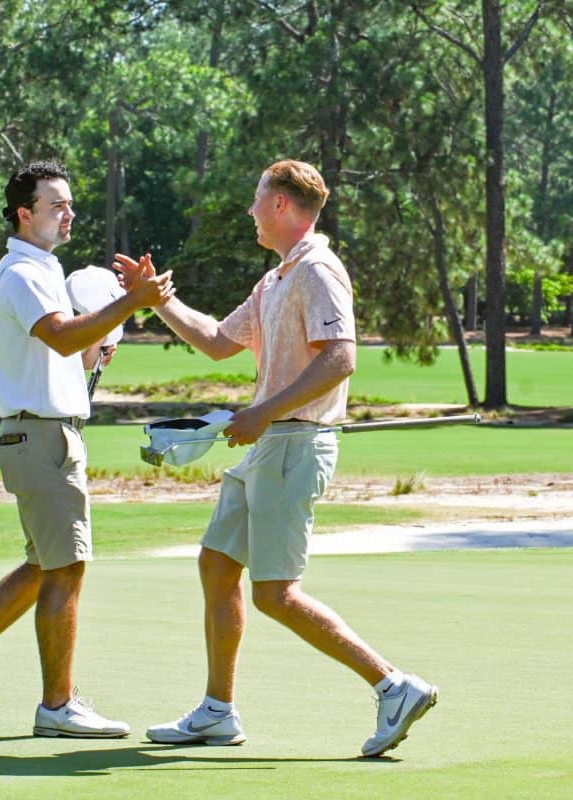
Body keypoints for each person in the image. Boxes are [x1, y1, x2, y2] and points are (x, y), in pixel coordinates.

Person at [115, 160, 436, 758]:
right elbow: (216, 341)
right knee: (216, 564)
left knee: (276, 593)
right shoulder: (276, 279)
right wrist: (156, 300)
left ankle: (393, 685)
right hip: (266, 445)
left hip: (294, 443)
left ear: (283, 206)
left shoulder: (318, 269)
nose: (251, 210)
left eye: (258, 199)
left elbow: (341, 357)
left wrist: (264, 412)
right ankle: (217, 711)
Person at [0, 160, 173, 738]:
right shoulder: (24, 272)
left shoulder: (44, 271)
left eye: (69, 204)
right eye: (56, 205)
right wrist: (130, 303)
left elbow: (65, 350)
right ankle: (57, 707)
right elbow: (60, 334)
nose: (68, 214)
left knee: (44, 567)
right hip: (42, 437)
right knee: (67, 568)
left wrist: (99, 344)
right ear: (24, 213)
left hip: (44, 434)